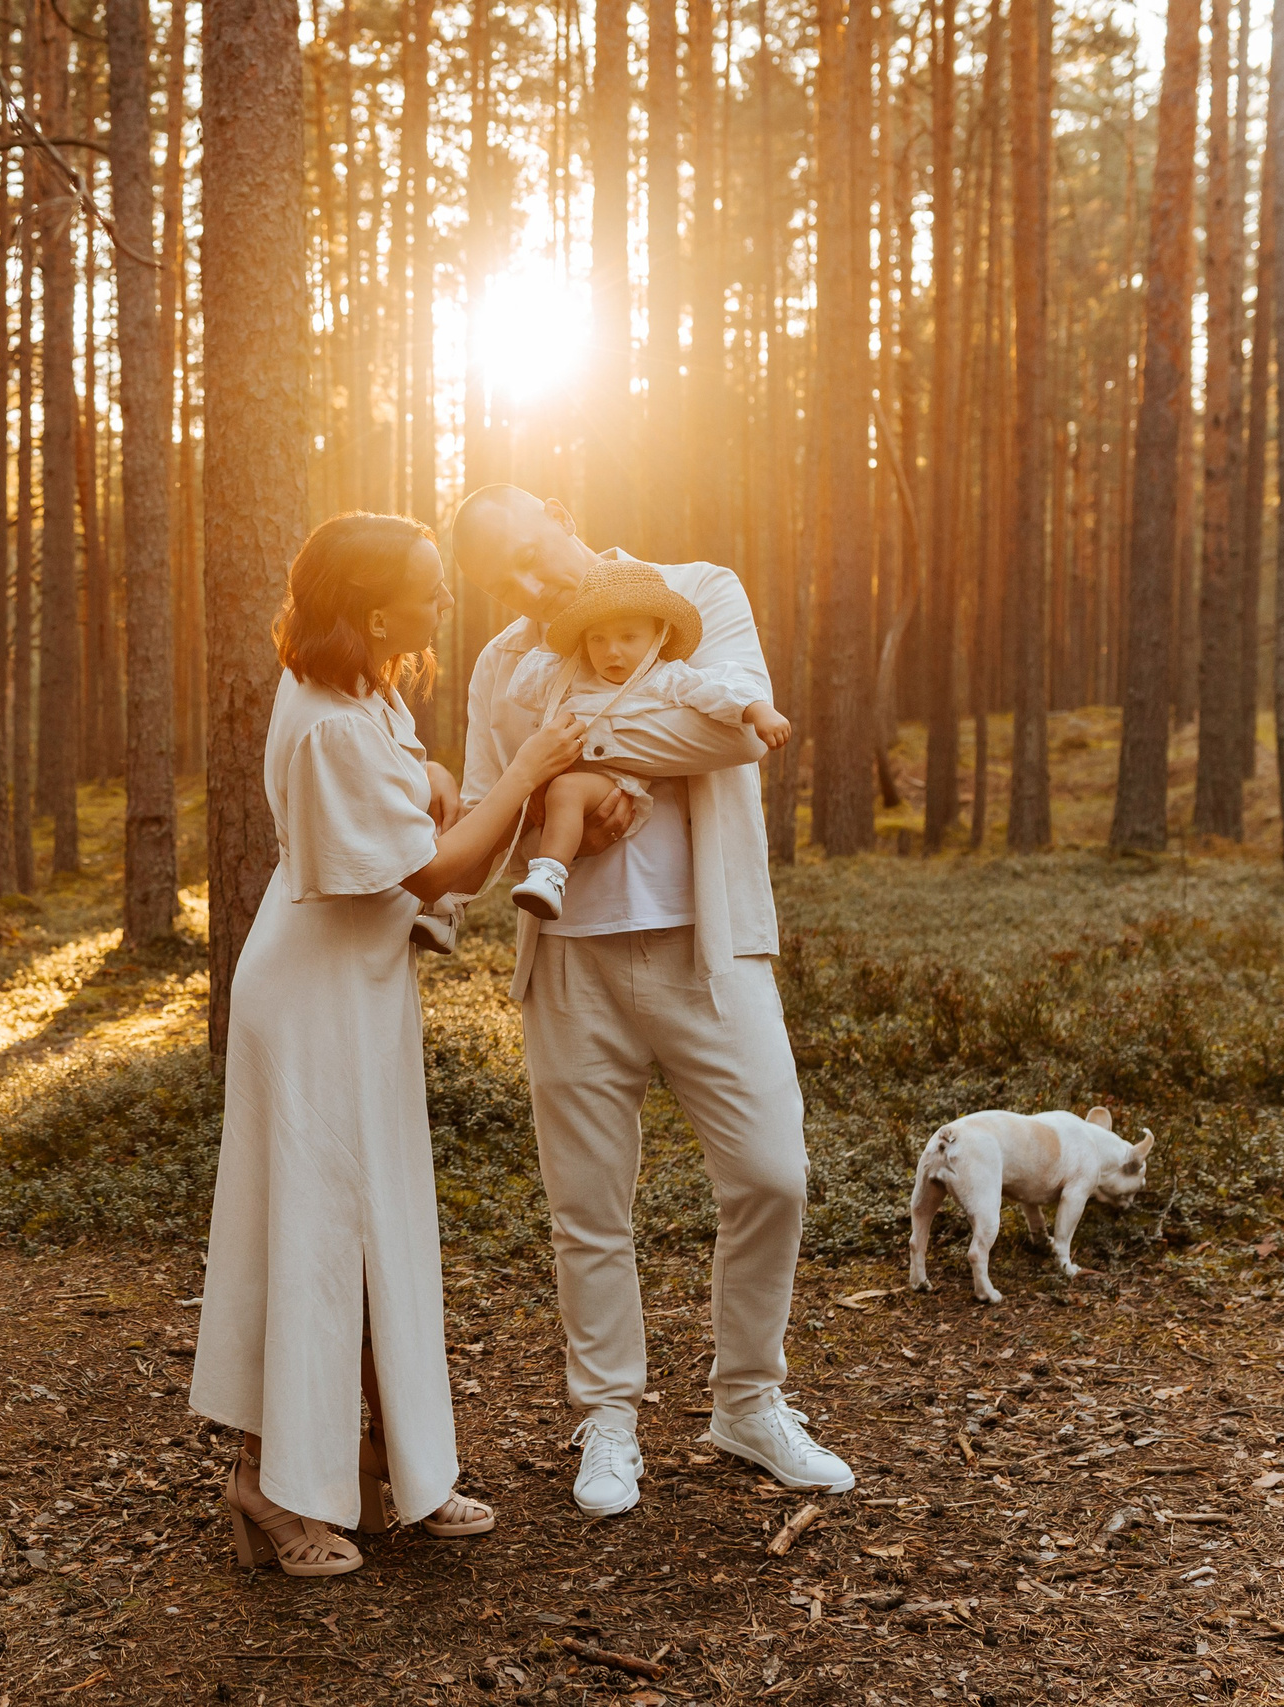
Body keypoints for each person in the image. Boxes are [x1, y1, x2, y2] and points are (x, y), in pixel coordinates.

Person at [190, 511, 587, 1576]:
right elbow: (440, 872)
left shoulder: (367, 690)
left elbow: (421, 807)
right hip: (312, 1001)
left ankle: (382, 1471)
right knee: (314, 1234)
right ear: (374, 612)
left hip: (358, 990)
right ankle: (265, 1490)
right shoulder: (325, 721)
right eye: (428, 589)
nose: (446, 601)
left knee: (374, 1230)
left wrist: (451, 787)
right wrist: (529, 769)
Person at [452, 484, 853, 1519]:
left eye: (535, 552)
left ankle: (748, 1403)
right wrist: (541, 790)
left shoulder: (696, 591)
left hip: (706, 951)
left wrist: (565, 764)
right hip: (568, 963)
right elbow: (487, 809)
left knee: (772, 1174)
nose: (532, 585)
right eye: (505, 579)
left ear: (561, 512)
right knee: (587, 1211)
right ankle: (609, 1418)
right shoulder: (502, 662)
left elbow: (725, 737)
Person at [502, 560, 792, 919]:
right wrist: (557, 647)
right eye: (597, 639)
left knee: (566, 791)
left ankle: (549, 874)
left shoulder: (664, 677)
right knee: (539, 794)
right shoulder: (575, 675)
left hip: (613, 778)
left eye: (628, 637)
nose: (611, 652)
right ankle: (458, 901)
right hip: (562, 769)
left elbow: (715, 689)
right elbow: (522, 689)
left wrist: (758, 710)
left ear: (660, 636)